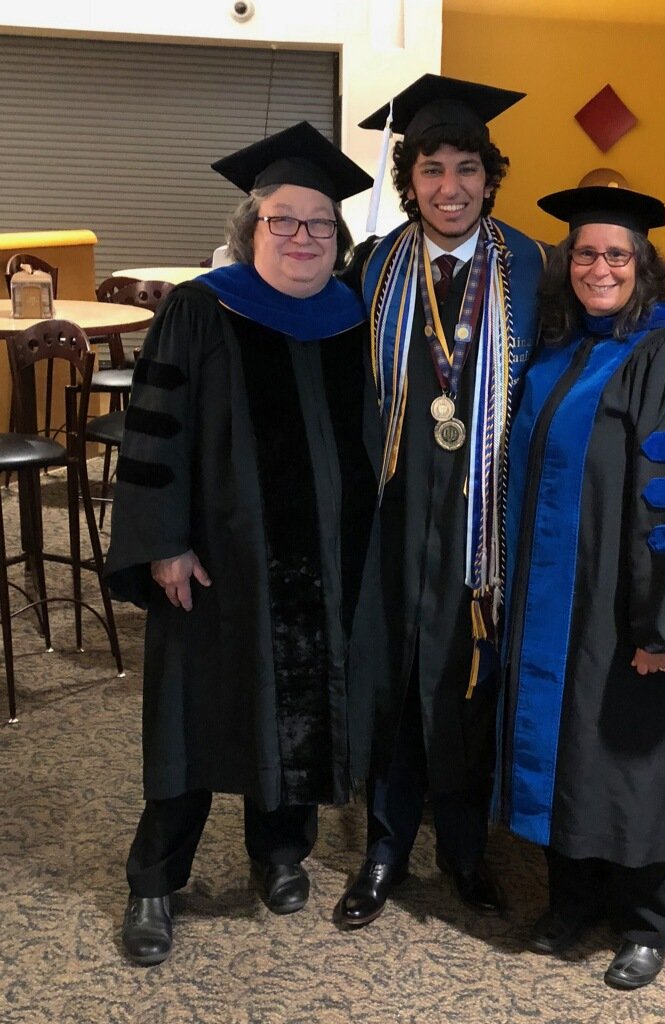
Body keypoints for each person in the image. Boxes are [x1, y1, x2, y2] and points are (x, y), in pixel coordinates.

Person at [105, 122, 375, 966]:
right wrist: (163, 543)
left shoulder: (348, 316)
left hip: (320, 564)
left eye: (320, 224)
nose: (303, 237)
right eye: (284, 220)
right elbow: (155, 436)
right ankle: (155, 879)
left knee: (297, 708)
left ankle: (280, 853)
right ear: (250, 229)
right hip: (212, 561)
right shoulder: (200, 308)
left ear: (338, 237)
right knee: (190, 719)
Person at [492, 185, 665, 989]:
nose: (598, 267)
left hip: (635, 603)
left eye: (616, 254)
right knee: (572, 747)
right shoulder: (563, 345)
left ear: (644, 265)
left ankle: (646, 917)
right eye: (584, 253)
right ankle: (573, 901)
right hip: (555, 598)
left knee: (632, 758)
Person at [336, 75, 546, 927]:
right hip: (394, 509)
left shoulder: (533, 265)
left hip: (481, 519)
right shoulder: (375, 264)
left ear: (491, 177)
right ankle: (384, 846)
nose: (449, 187)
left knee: (468, 681)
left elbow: (605, 334)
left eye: (466, 168)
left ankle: (463, 850)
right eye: (432, 169)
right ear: (408, 178)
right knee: (390, 677)